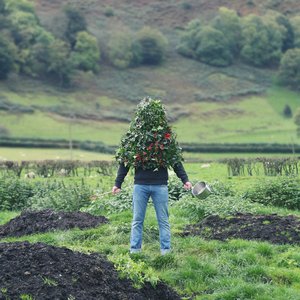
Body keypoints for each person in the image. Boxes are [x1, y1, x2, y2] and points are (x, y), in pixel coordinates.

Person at [112, 97, 192, 255]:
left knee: (163, 220)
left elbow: (175, 161)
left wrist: (185, 180)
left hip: (160, 185)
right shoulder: (134, 139)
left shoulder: (165, 139)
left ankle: (165, 252)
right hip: (140, 186)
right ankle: (135, 251)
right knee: (137, 220)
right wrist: (117, 183)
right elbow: (125, 161)